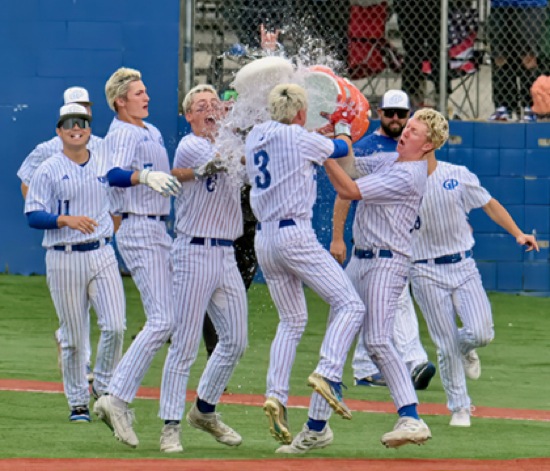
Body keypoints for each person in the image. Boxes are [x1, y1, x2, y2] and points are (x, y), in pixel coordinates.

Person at [245, 83, 365, 454]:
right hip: (293, 234)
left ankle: (275, 395)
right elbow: (341, 149)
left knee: (292, 320)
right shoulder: (299, 138)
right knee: (351, 305)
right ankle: (328, 372)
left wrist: (319, 133)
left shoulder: (255, 135)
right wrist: (342, 126)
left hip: (265, 239)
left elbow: (300, 143)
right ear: (300, 113)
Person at [323, 108, 450, 448]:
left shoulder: (409, 174)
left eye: (414, 131)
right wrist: (336, 132)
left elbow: (349, 189)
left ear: (428, 145)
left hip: (386, 263)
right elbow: (350, 166)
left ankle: (412, 418)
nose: (405, 132)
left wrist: (320, 153)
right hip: (362, 258)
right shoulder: (390, 159)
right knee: (337, 329)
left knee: (378, 341)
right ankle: (316, 428)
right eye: (408, 127)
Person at [410, 135, 539, 427]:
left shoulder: (457, 174)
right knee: (445, 344)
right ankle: (460, 407)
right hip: (423, 269)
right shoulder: (398, 178)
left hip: (462, 264)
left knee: (481, 334)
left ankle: (466, 348)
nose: (406, 138)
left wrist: (518, 233)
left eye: (414, 133)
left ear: (430, 143)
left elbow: (489, 204)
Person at [155, 84, 248, 453]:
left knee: (236, 340)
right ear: (189, 116)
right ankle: (170, 425)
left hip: (225, 253)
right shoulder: (190, 145)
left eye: (214, 103)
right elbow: (224, 159)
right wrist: (246, 123)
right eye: (201, 105)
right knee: (185, 342)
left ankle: (204, 410)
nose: (210, 108)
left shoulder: (232, 142)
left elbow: (249, 164)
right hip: (193, 251)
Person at [93, 67, 181, 448]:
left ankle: (118, 396)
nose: (146, 97)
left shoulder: (151, 130)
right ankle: (115, 397)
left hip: (157, 227)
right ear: (120, 101)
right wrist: (143, 177)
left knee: (171, 320)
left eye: (145, 91)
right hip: (138, 226)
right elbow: (111, 174)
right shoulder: (121, 132)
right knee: (162, 320)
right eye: (138, 93)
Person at [24, 103, 126, 422]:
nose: (76, 128)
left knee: (115, 326)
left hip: (101, 251)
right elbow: (33, 215)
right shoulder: (48, 168)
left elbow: (121, 185)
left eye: (81, 122)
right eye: (69, 123)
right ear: (59, 131)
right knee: (73, 336)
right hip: (63, 255)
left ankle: (103, 385)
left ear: (89, 128)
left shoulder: (104, 158)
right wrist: (64, 220)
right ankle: (78, 402)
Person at [330, 90, 435, 391]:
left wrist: (324, 150)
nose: (396, 119)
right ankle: (407, 363)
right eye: (390, 113)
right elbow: (346, 191)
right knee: (361, 307)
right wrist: (337, 237)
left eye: (402, 115)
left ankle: (381, 367)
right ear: (380, 113)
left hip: (394, 242)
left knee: (379, 308)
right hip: (371, 244)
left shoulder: (412, 154)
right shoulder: (369, 147)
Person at [17, 87, 103, 384]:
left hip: (93, 234)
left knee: (93, 303)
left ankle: (73, 345)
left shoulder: (99, 145)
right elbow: (25, 181)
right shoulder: (48, 149)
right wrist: (51, 214)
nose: (83, 111)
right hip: (62, 235)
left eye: (86, 106)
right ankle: (82, 361)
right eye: (77, 106)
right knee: (75, 303)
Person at [488, 0, 548, 121]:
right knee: (500, 57)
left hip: (530, 5)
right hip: (499, 5)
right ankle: (504, 107)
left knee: (528, 57)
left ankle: (530, 107)